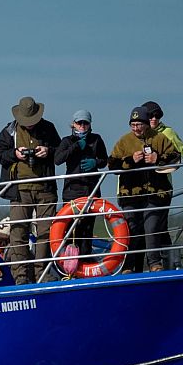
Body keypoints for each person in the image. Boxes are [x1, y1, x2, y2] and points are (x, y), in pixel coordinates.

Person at [0, 96, 61, 285]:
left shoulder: (48, 128)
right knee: (18, 232)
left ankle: (43, 274)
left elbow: (60, 151)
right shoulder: (9, 131)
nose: (29, 124)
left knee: (45, 232)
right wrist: (14, 154)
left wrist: (47, 151)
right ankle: (21, 277)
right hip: (18, 189)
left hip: (45, 188)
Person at [108, 106, 180, 273]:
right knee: (131, 228)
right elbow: (112, 164)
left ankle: (155, 264)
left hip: (156, 193)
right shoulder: (124, 141)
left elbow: (176, 157)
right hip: (130, 195)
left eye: (139, 124)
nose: (136, 129)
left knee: (152, 227)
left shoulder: (160, 138)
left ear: (147, 124)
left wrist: (158, 158)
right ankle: (128, 266)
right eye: (132, 125)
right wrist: (130, 160)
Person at [142, 100, 183, 268]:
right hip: (141, 190)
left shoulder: (168, 133)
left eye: (157, 115)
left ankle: (157, 264)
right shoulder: (138, 134)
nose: (154, 119)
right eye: (150, 115)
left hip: (161, 188)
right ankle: (169, 263)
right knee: (158, 227)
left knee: (155, 225)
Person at [54, 109, 108, 262]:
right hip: (72, 191)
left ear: (90, 124)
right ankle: (71, 265)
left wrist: (95, 162)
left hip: (91, 189)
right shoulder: (67, 141)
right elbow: (58, 159)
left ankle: (86, 262)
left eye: (85, 123)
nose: (82, 126)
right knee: (72, 231)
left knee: (87, 230)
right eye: (79, 123)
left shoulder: (96, 139)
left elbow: (104, 160)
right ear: (73, 124)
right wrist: (76, 146)